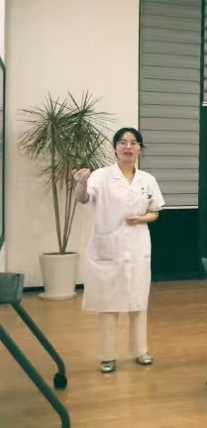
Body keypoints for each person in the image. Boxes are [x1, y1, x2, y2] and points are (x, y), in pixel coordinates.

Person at [74, 127, 166, 374]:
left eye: (134, 143)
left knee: (138, 300)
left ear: (140, 149)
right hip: (108, 246)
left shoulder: (147, 179)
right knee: (108, 304)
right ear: (115, 148)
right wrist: (81, 182)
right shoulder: (101, 176)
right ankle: (107, 356)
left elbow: (155, 212)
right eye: (123, 142)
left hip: (137, 247)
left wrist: (141, 218)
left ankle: (140, 351)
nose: (128, 147)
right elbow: (83, 198)